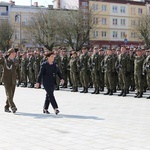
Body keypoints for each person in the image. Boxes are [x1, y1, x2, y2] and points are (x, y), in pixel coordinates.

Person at [0, 48, 19, 113]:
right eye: (13, 53)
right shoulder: (5, 60)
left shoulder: (16, 60)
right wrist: (3, 57)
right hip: (6, 79)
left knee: (11, 94)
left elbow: (18, 70)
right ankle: (13, 107)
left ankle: (6, 107)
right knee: (9, 94)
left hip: (13, 79)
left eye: (14, 53)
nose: (14, 54)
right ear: (10, 54)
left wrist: (20, 78)